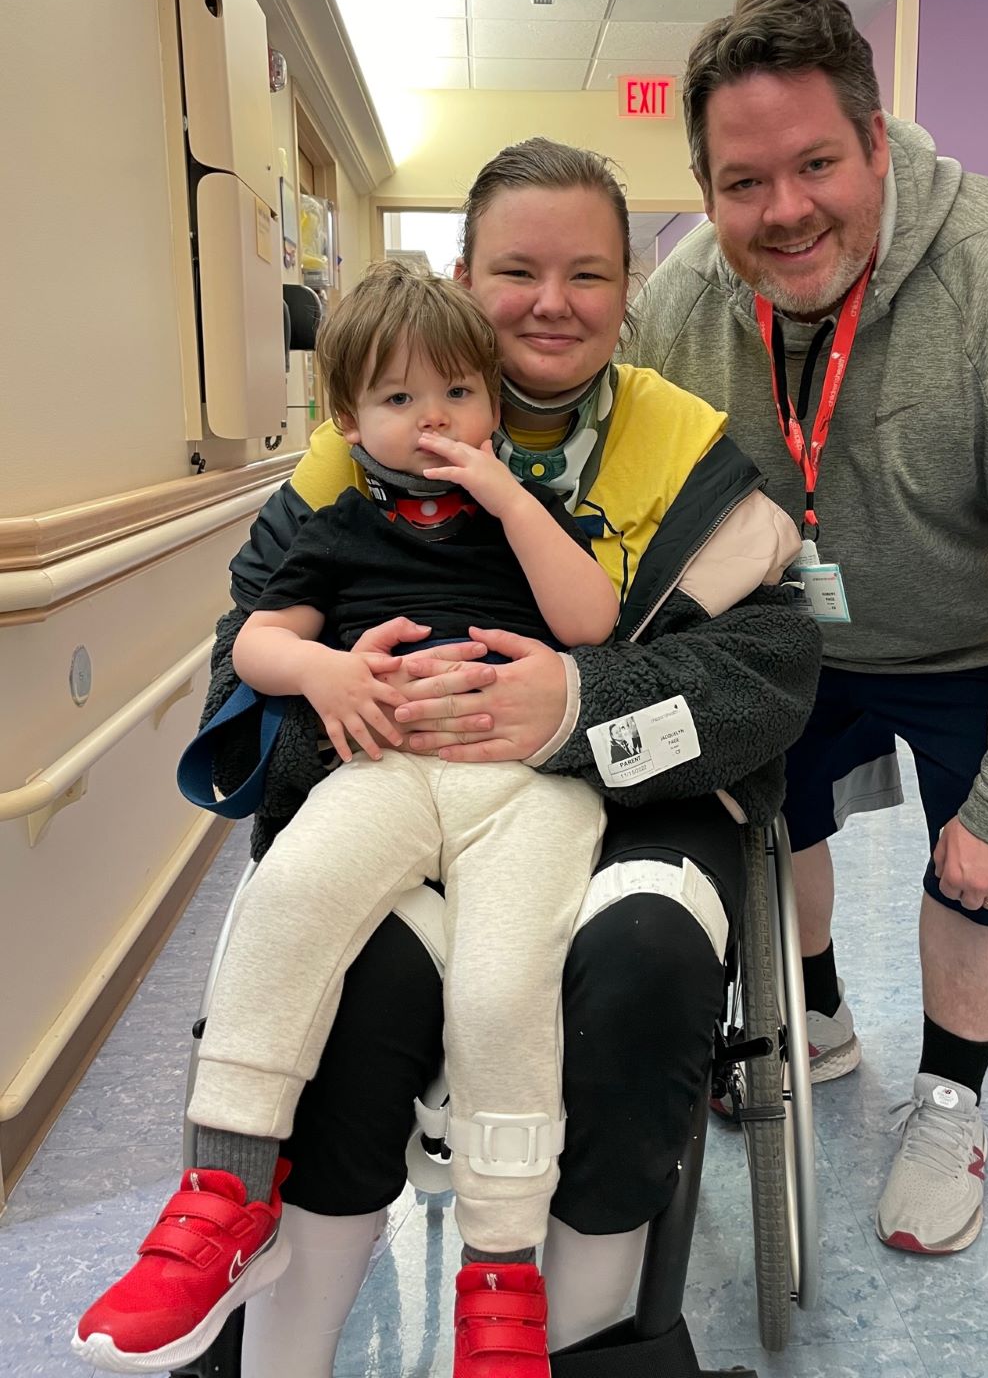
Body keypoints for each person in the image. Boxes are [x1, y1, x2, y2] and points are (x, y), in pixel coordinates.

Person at [98, 140, 821, 1378]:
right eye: (517, 271)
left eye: (589, 274)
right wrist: (359, 696)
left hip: (617, 801)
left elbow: (770, 674)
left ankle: (583, 1336)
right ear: (464, 279)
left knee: (642, 968)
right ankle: (277, 1337)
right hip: (394, 784)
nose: (553, 302)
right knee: (356, 972)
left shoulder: (688, 451)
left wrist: (576, 706)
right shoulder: (356, 455)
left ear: (628, 294)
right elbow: (243, 661)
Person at [629, 0, 988, 1256]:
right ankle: (819, 1013)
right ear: (706, 186)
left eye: (816, 164)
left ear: (874, 140)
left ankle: (951, 1099)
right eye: (743, 182)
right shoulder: (681, 303)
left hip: (974, 639)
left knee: (985, 866)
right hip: (787, 634)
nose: (785, 209)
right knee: (768, 811)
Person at [73, 266, 625, 1375]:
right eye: (399, 399)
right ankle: (224, 1191)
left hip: (526, 784)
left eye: (459, 393)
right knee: (286, 896)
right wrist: (322, 671)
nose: (434, 420)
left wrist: (513, 497)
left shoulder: (536, 516)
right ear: (346, 419)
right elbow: (254, 644)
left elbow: (592, 621)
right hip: (385, 772)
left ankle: (502, 1270)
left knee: (503, 983)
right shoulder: (334, 529)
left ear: (495, 404)